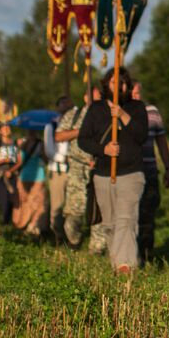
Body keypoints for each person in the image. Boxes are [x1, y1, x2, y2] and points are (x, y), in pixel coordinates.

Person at [78, 70, 149, 273]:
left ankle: (125, 266)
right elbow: (83, 139)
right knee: (110, 224)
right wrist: (104, 150)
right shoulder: (96, 109)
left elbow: (141, 135)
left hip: (131, 174)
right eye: (113, 82)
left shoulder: (137, 107)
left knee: (125, 219)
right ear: (106, 84)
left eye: (122, 82)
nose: (118, 86)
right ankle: (119, 263)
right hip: (103, 174)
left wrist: (123, 115)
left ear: (127, 86)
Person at [59, 87, 106, 252]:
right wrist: (82, 131)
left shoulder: (105, 115)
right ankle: (75, 240)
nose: (95, 98)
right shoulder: (74, 115)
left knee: (98, 208)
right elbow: (59, 136)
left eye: (99, 96)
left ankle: (97, 248)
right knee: (73, 212)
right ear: (86, 97)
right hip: (77, 168)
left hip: (99, 167)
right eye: (92, 95)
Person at [133, 81, 169, 266]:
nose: (135, 96)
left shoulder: (152, 112)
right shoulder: (119, 112)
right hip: (129, 171)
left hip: (149, 171)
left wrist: (168, 168)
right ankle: (129, 256)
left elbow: (162, 142)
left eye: (137, 93)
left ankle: (146, 255)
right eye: (132, 92)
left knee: (147, 216)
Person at [44, 96, 73, 239]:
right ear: (58, 107)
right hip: (58, 169)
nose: (66, 108)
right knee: (57, 205)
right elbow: (49, 150)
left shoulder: (74, 125)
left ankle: (70, 234)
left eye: (68, 105)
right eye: (63, 104)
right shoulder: (51, 126)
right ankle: (57, 235)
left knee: (71, 205)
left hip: (72, 169)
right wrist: (64, 158)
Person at [12, 128, 47, 237]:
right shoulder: (24, 144)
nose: (31, 133)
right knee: (27, 201)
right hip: (28, 176)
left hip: (36, 176)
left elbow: (46, 160)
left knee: (35, 201)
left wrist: (42, 152)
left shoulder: (38, 144)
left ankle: (32, 225)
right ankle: (27, 224)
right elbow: (19, 161)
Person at [0, 120, 22, 226]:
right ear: (0, 131)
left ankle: (14, 221)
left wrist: (11, 171)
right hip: (1, 176)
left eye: (8, 127)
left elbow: (19, 161)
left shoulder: (15, 143)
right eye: (4, 128)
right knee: (4, 199)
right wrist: (3, 161)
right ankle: (4, 222)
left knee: (14, 198)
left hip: (13, 175)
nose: (7, 129)